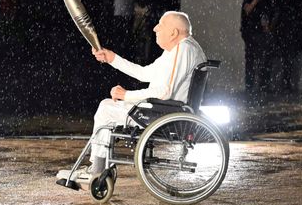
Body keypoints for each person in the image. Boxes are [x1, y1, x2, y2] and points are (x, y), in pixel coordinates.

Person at [57, 11, 207, 184]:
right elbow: (144, 73)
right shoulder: (180, 49)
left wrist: (127, 95)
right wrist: (112, 58)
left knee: (106, 110)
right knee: (107, 106)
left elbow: (164, 91)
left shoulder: (183, 49)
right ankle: (99, 169)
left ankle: (96, 171)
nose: (155, 28)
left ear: (173, 33)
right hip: (166, 111)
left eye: (161, 25)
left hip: (163, 114)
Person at [240, 0, 273, 94]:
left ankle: (264, 85)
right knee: (251, 60)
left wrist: (268, 26)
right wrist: (255, 1)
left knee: (265, 59)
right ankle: (250, 86)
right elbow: (247, 10)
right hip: (250, 33)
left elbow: (272, 13)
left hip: (263, 33)